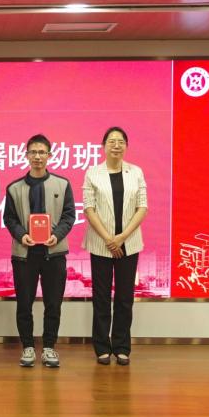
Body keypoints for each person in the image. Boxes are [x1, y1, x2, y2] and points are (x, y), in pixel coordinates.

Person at [3, 134, 76, 368]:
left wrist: (58, 235)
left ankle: (49, 347)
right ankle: (27, 347)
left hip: (54, 253)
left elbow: (69, 215)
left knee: (53, 304)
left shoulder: (62, 184)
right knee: (24, 303)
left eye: (41, 152)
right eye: (33, 152)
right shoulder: (14, 188)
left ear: (49, 156)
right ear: (26, 156)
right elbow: (9, 218)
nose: (37, 156)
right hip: (24, 254)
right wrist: (20, 234)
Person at [83, 126, 147, 366]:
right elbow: (89, 208)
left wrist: (121, 237)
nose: (116, 145)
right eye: (111, 141)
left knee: (124, 298)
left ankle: (121, 347)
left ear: (126, 146)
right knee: (101, 297)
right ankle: (101, 346)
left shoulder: (136, 172)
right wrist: (109, 238)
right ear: (104, 146)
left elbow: (142, 207)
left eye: (121, 141)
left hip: (128, 243)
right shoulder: (93, 172)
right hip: (101, 243)